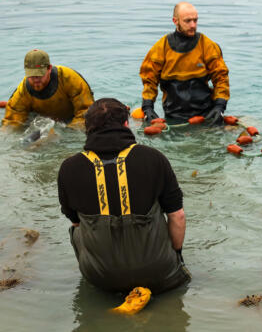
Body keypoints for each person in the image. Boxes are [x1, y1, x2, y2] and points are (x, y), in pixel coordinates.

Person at [57, 98, 191, 294]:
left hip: (99, 277)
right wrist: (176, 255)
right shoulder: (154, 158)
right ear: (126, 125)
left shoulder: (69, 168)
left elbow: (76, 223)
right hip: (159, 273)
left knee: (77, 226)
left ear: (87, 129)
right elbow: (177, 216)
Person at [139, 2, 230, 124]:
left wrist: (219, 106)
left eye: (195, 20)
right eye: (187, 21)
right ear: (175, 21)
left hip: (206, 113)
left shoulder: (208, 46)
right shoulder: (161, 47)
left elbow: (221, 78)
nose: (193, 25)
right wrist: (148, 108)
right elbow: (149, 79)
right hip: (172, 114)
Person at [2, 49, 94, 129]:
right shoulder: (22, 92)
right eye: (32, 75)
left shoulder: (70, 79)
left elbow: (86, 111)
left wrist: (69, 133)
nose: (35, 79)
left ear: (49, 68)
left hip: (70, 118)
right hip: (40, 120)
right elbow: (11, 124)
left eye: (39, 74)